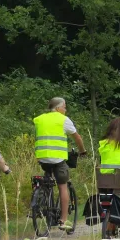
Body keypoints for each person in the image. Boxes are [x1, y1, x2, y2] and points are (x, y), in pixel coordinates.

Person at [34, 97, 87, 230]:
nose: (65, 110)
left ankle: (43, 199)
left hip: (42, 158)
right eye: (64, 107)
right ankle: (63, 220)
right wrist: (83, 151)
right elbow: (77, 137)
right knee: (63, 186)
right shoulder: (63, 120)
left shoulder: (39, 119)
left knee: (47, 180)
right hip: (58, 159)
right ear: (58, 108)